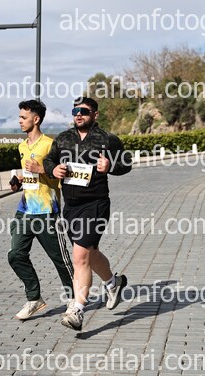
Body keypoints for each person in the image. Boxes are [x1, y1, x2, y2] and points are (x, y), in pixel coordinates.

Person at [43, 96, 132, 331]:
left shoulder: (107, 139)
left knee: (80, 256)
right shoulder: (63, 138)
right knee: (89, 254)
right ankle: (113, 283)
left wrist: (110, 166)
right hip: (71, 207)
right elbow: (48, 160)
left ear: (95, 114)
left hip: (96, 204)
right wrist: (53, 169)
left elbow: (126, 163)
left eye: (83, 111)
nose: (78, 115)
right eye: (75, 111)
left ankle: (77, 310)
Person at [8, 99, 75, 320]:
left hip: (47, 212)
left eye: (23, 117)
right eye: (19, 117)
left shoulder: (50, 145)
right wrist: (19, 181)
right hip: (25, 210)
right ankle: (34, 298)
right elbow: (30, 176)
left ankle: (74, 299)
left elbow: (63, 173)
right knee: (15, 255)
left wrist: (41, 169)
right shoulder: (22, 146)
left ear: (36, 119)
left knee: (60, 259)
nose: (20, 121)